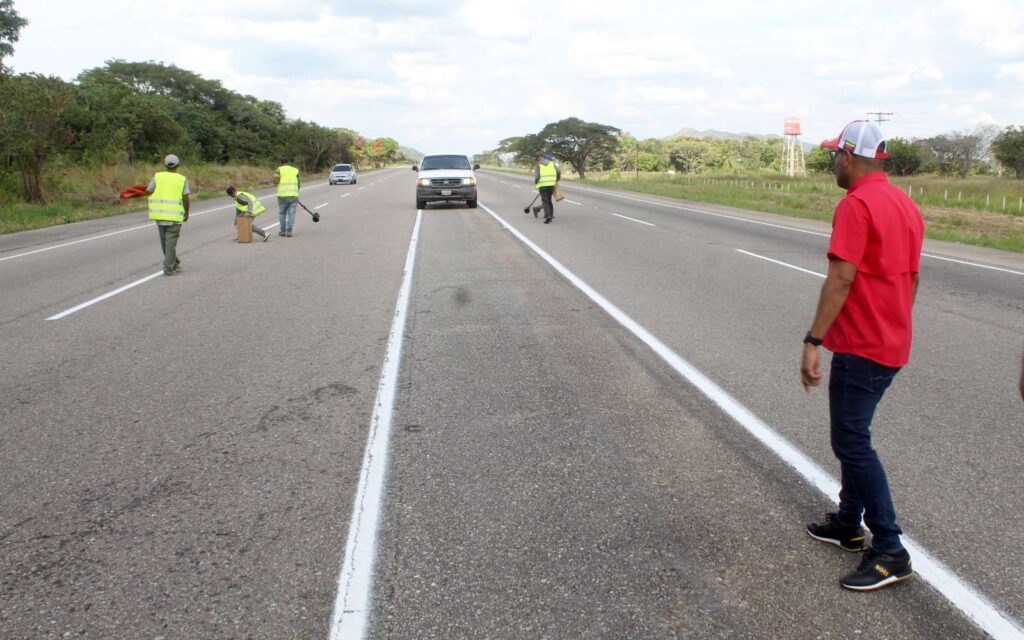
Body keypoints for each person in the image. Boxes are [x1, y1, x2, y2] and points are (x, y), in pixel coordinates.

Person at [800, 120, 924, 591]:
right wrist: (895, 323)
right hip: (890, 343)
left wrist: (813, 340)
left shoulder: (856, 204)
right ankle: (849, 523)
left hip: (861, 346)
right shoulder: (905, 203)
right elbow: (913, 279)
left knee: (852, 442)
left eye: (835, 154)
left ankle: (890, 549)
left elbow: (841, 278)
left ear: (849, 157)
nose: (833, 160)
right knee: (854, 435)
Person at [146, 154, 190, 276]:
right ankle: (174, 262)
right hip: (174, 216)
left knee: (167, 244)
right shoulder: (182, 179)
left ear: (165, 165)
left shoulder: (157, 177)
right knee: (168, 244)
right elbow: (186, 198)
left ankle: (168, 268)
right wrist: (187, 213)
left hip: (161, 216)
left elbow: (149, 190)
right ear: (178, 165)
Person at [274, 157, 300, 237]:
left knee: (282, 213)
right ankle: (289, 231)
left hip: (282, 196)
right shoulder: (295, 170)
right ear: (288, 162)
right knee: (291, 213)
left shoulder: (279, 169)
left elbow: (276, 181)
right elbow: (298, 183)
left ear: (281, 162)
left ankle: (282, 231)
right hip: (293, 195)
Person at [533, 152, 561, 223]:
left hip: (542, 185)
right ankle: (550, 216)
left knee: (545, 201)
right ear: (543, 156)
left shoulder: (538, 165)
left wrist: (536, 182)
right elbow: (558, 171)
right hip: (551, 184)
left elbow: (537, 176)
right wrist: (556, 179)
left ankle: (547, 216)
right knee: (549, 201)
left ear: (537, 158)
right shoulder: (551, 163)